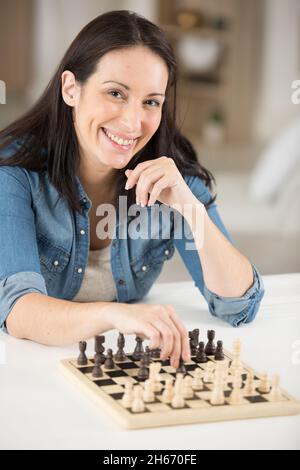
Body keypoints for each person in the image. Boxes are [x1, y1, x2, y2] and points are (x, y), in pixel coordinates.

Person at [0, 10, 264, 368]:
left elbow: (238, 305)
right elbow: (20, 311)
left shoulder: (172, 175)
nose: (132, 121)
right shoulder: (15, 172)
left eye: (151, 101)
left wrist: (191, 208)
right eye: (115, 93)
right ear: (70, 88)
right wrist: (115, 316)